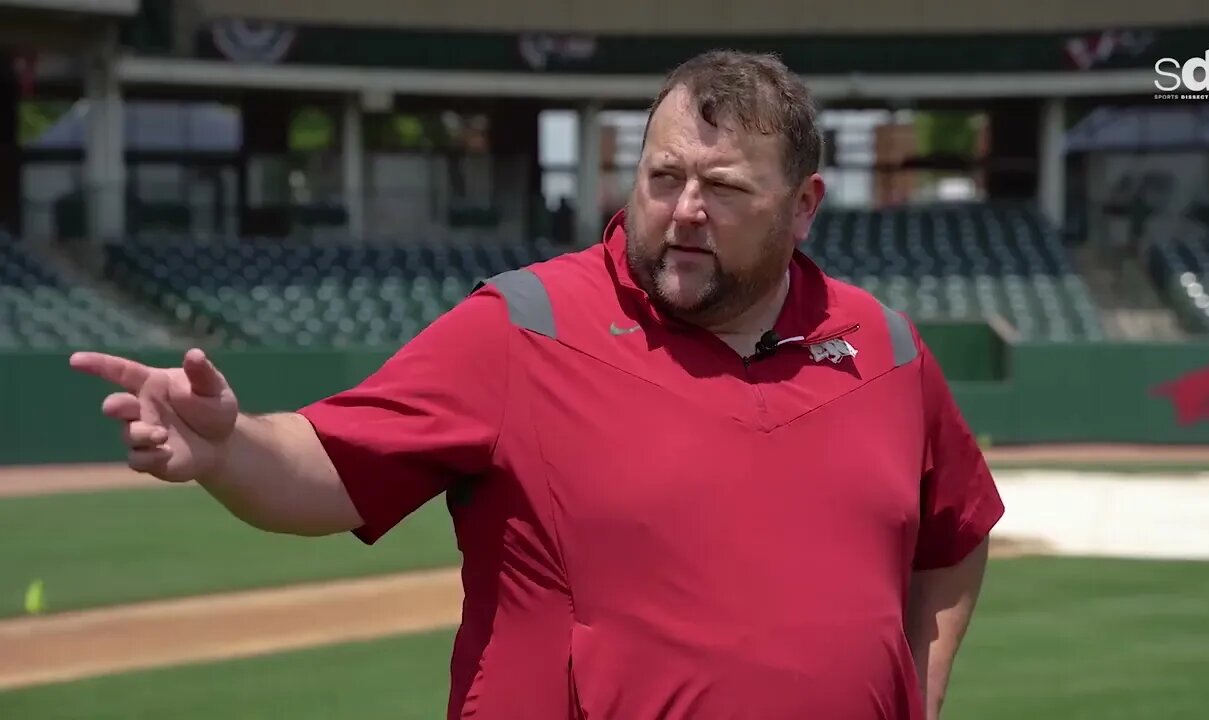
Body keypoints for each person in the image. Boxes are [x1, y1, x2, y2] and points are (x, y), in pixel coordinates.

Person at [70, 50, 1003, 720]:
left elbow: (954, 533)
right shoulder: (524, 325)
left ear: (803, 207)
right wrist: (228, 447)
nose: (684, 210)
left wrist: (915, 693)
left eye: (723, 188)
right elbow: (330, 464)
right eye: (662, 176)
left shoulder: (884, 346)